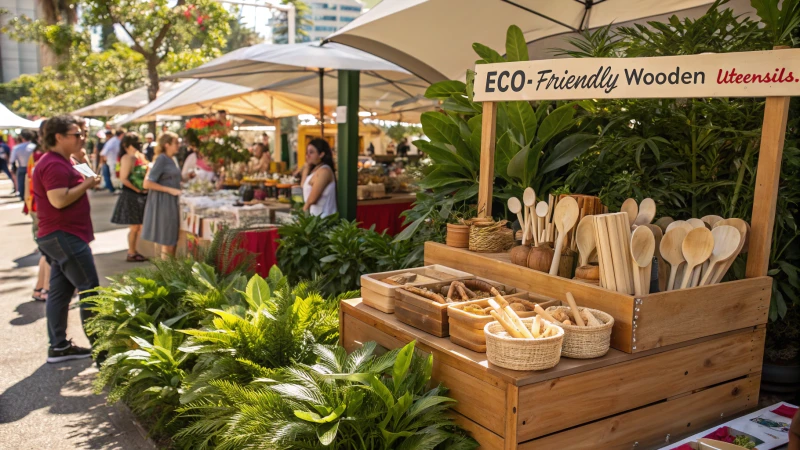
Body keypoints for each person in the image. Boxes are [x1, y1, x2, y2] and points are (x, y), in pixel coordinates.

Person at [33, 115, 101, 363]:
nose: (81, 138)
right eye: (76, 134)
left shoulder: (66, 161)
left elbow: (93, 181)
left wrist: (84, 162)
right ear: (59, 137)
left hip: (61, 236)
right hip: (64, 236)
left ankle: (59, 347)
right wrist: (85, 183)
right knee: (90, 290)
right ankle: (103, 352)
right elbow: (59, 199)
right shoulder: (53, 164)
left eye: (82, 133)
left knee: (60, 293)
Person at [142, 132, 182, 259]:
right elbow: (147, 183)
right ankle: (167, 275)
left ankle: (169, 273)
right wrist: (170, 190)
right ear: (167, 145)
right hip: (164, 203)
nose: (178, 146)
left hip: (171, 202)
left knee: (171, 240)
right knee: (168, 241)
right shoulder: (161, 159)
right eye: (176, 143)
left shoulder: (172, 159)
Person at [111, 132, 149, 262]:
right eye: (134, 144)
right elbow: (124, 179)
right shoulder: (127, 158)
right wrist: (138, 189)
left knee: (139, 227)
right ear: (126, 145)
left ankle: (135, 251)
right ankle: (131, 252)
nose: (136, 146)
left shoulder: (140, 156)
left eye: (138, 144)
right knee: (134, 227)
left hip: (141, 195)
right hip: (131, 195)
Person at [25, 120, 50, 302]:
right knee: (49, 252)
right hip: (44, 209)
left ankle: (40, 287)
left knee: (45, 251)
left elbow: (28, 180)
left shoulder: (36, 155)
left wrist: (27, 202)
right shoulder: (46, 157)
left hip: (36, 205)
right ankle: (46, 288)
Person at [301, 138, 337, 218]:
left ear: (321, 154)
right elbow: (303, 186)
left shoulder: (325, 171)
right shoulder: (315, 170)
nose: (308, 155)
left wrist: (302, 215)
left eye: (311, 152)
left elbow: (312, 199)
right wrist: (306, 167)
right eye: (307, 152)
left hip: (324, 219)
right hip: (314, 218)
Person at [10, 130, 36, 201]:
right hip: (33, 167)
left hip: (22, 167)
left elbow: (12, 160)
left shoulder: (17, 148)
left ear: (22, 138)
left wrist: (13, 167)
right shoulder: (35, 147)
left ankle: (22, 196)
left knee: (21, 183)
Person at [100, 129, 123, 193]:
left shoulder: (116, 141)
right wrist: (103, 161)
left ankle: (115, 188)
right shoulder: (113, 141)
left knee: (115, 175)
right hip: (112, 161)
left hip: (115, 161)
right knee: (113, 175)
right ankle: (115, 189)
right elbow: (103, 153)